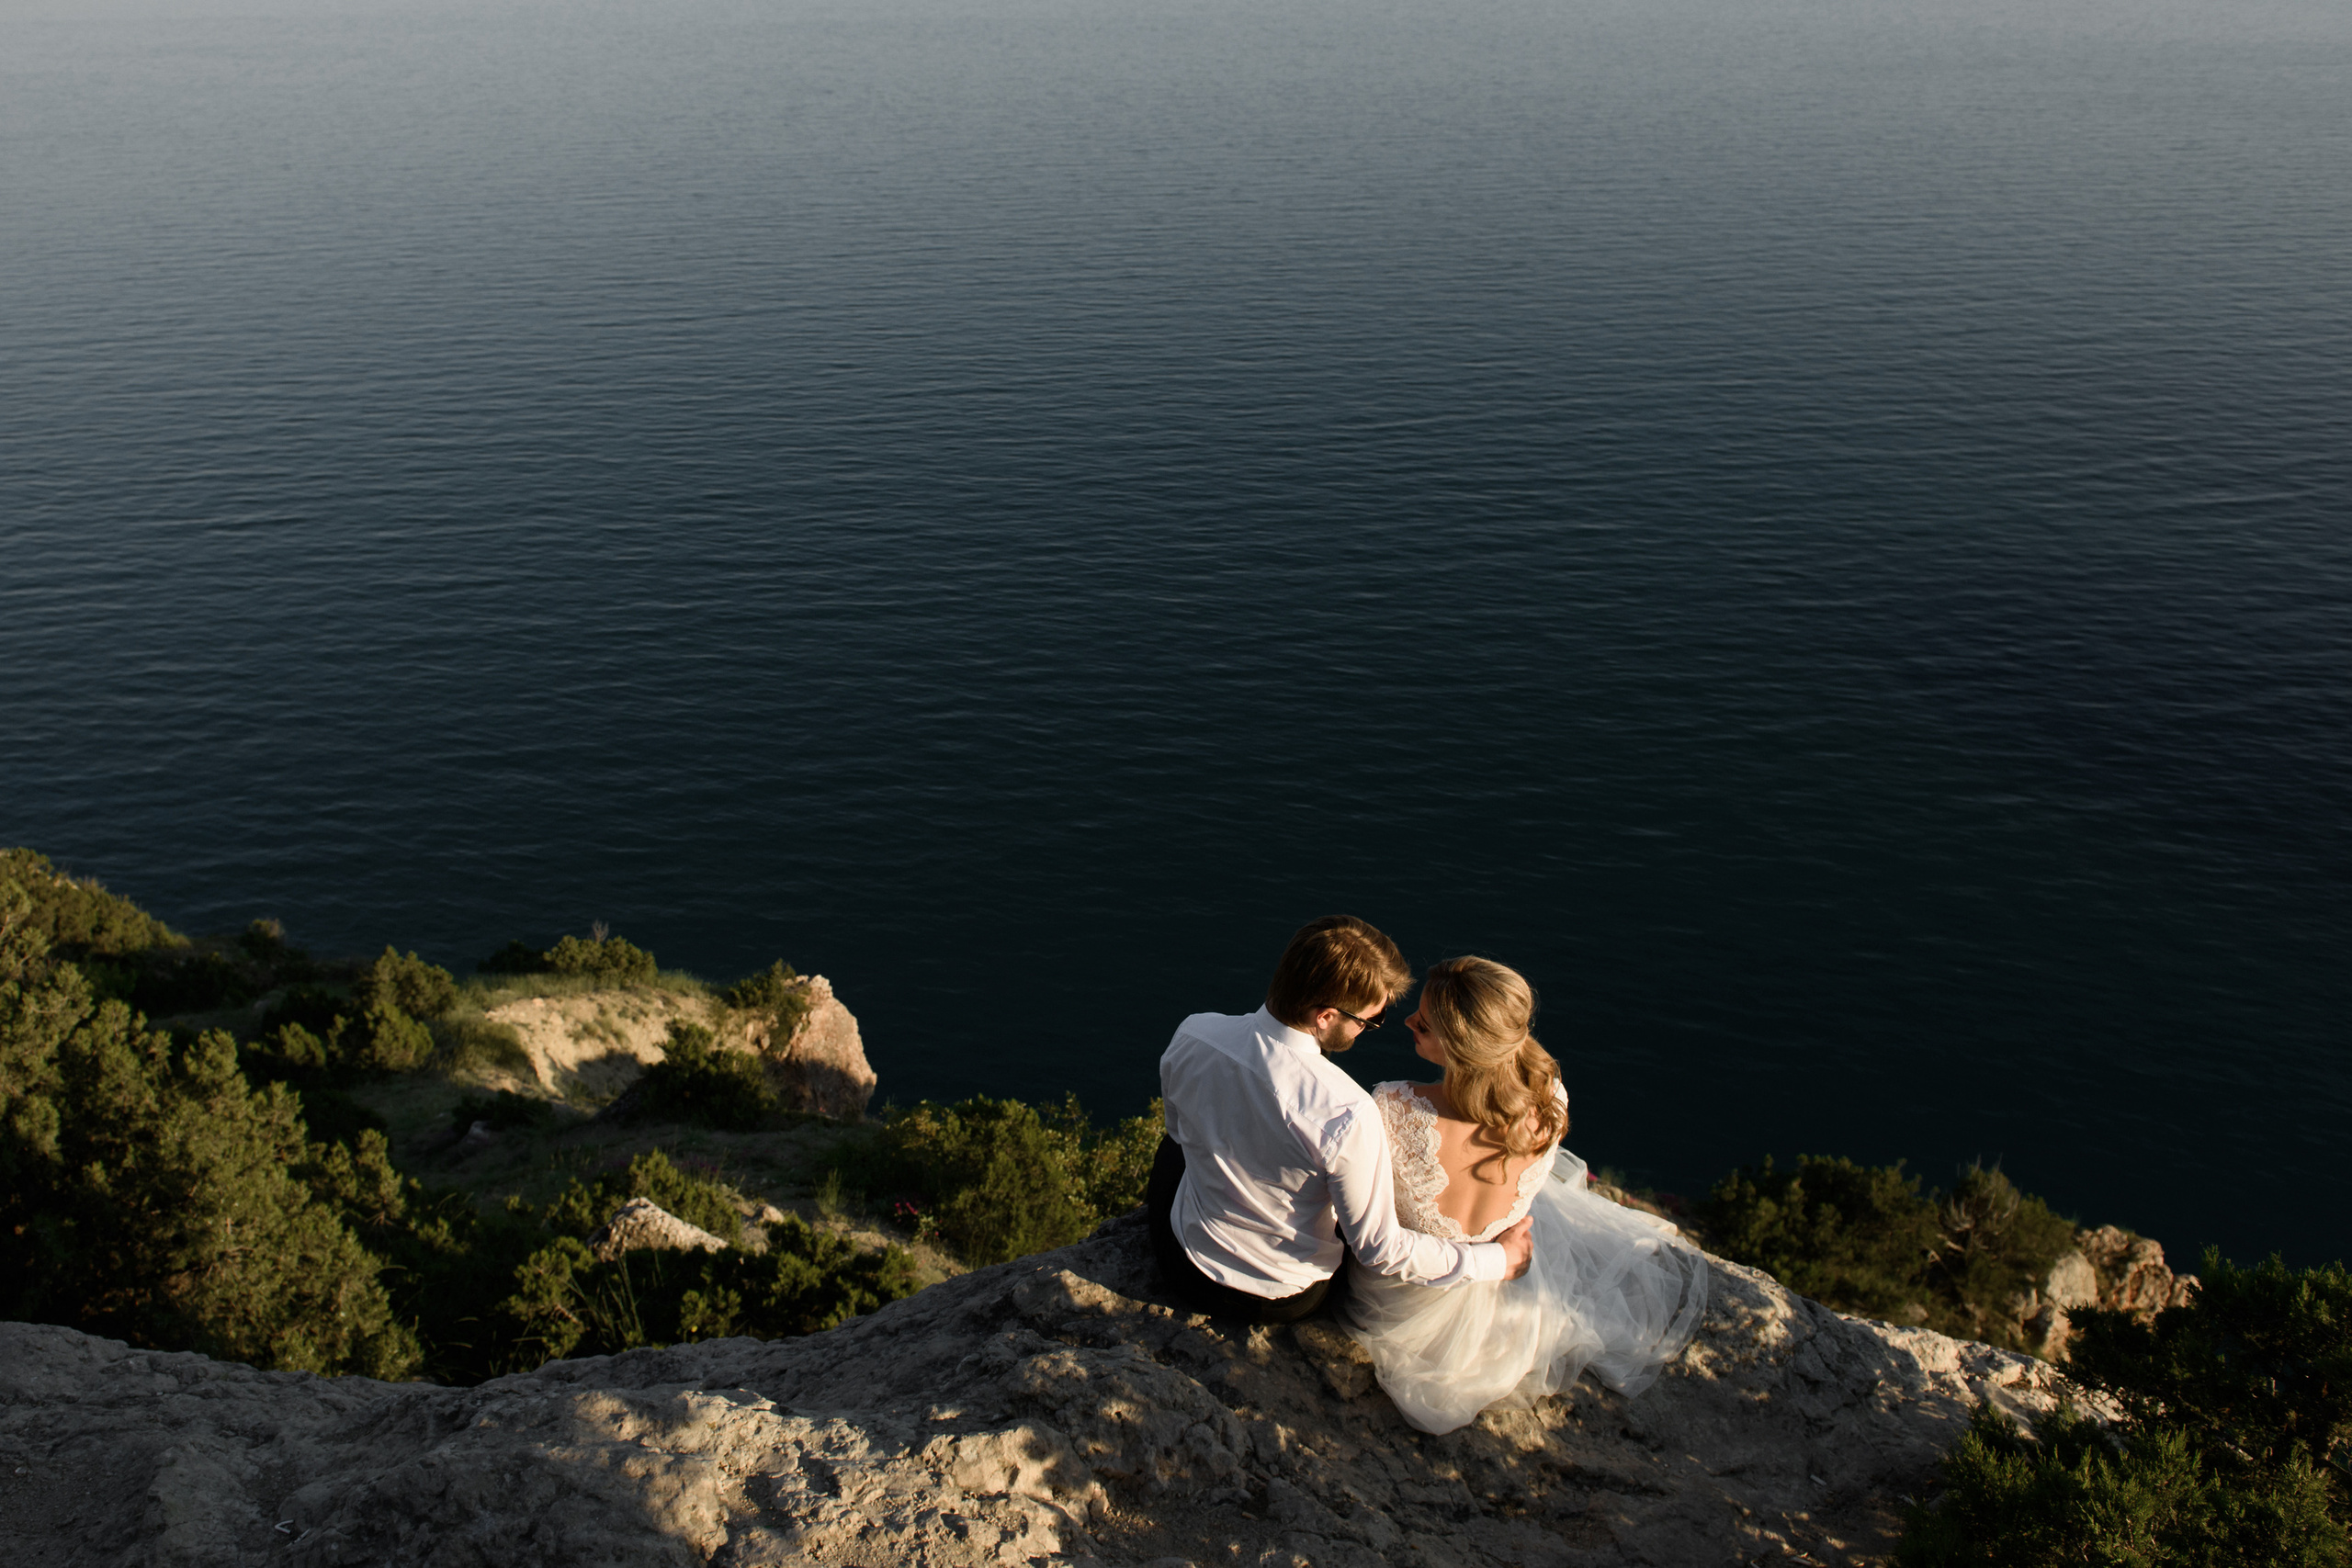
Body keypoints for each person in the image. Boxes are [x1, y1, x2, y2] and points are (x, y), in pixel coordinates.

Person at [1341, 955, 1709, 1433]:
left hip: (1405, 1303)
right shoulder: (1550, 1096)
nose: (1407, 1020)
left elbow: (1373, 1229)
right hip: (1509, 1280)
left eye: (1425, 1024)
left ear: (1463, 1046)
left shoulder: (1391, 1106)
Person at [1148, 917, 1534, 1325]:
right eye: (1370, 1019)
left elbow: (1178, 1132)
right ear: (1327, 1016)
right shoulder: (1348, 1112)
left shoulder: (1194, 1033)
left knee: (1175, 1143)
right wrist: (1500, 1260)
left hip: (1182, 1261)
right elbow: (1380, 1249)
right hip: (1279, 1296)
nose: (1373, 1027)